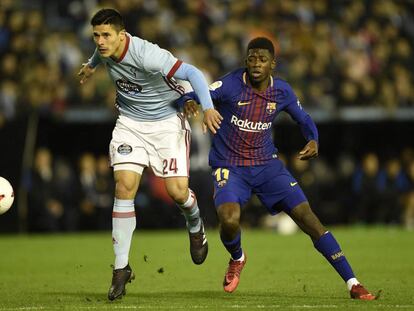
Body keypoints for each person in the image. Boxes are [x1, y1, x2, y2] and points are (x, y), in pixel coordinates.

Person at [181, 37, 378, 300]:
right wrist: (190, 101)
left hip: (267, 167)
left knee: (310, 220)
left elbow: (304, 119)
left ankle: (353, 283)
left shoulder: (282, 91)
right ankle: (237, 258)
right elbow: (198, 93)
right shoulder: (230, 84)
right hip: (231, 167)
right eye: (251, 58)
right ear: (245, 61)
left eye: (262, 59)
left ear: (273, 63)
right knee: (228, 220)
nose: (256, 64)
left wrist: (313, 139)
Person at [77, 8, 223, 301]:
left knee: (178, 193)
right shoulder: (104, 49)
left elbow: (192, 72)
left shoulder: (147, 54)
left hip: (167, 124)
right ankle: (121, 268)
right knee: (124, 186)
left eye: (106, 36)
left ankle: (195, 224)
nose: (100, 41)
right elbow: (98, 53)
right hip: (129, 124)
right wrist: (91, 65)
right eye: (97, 36)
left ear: (121, 35)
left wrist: (206, 107)